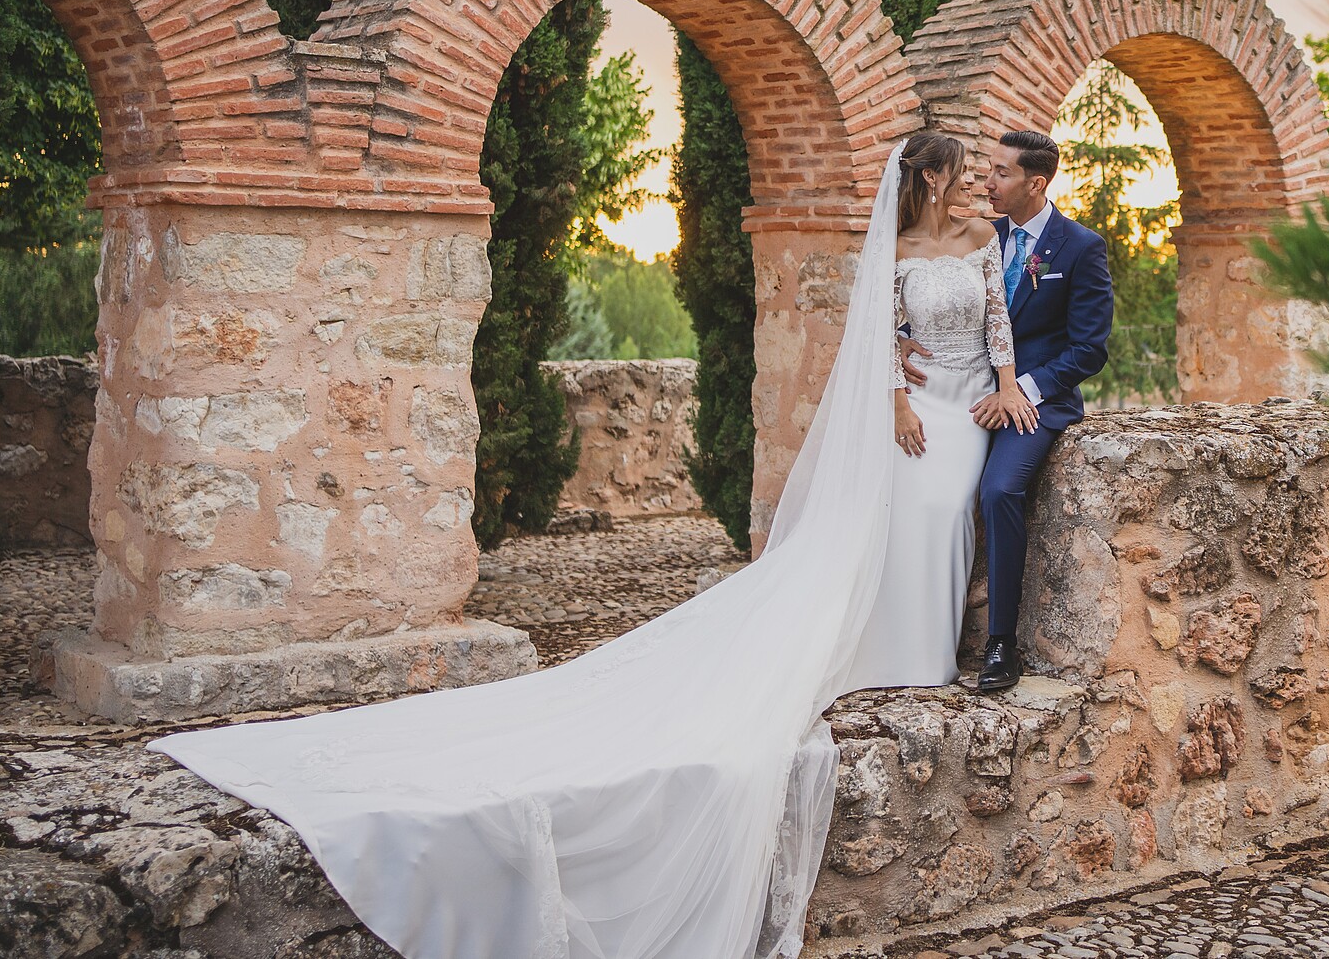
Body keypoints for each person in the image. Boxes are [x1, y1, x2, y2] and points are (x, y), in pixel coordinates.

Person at [147, 134, 1020, 959]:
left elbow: (996, 317)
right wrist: (896, 396)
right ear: (932, 179)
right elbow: (873, 332)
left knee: (945, 514)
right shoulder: (898, 244)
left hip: (971, 399)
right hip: (915, 405)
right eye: (960, 170)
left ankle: (922, 647)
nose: (975, 179)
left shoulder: (985, 236)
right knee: (906, 514)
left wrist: (1009, 384)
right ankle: (884, 643)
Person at [899, 130, 1113, 692]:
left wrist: (1022, 388)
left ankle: (1001, 645)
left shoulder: (1080, 247)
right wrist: (902, 340)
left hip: (1035, 402)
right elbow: (919, 299)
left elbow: (1090, 348)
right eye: (984, 170)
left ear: (1035, 183)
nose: (985, 183)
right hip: (955, 392)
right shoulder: (975, 234)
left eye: (1000, 174)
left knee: (998, 491)